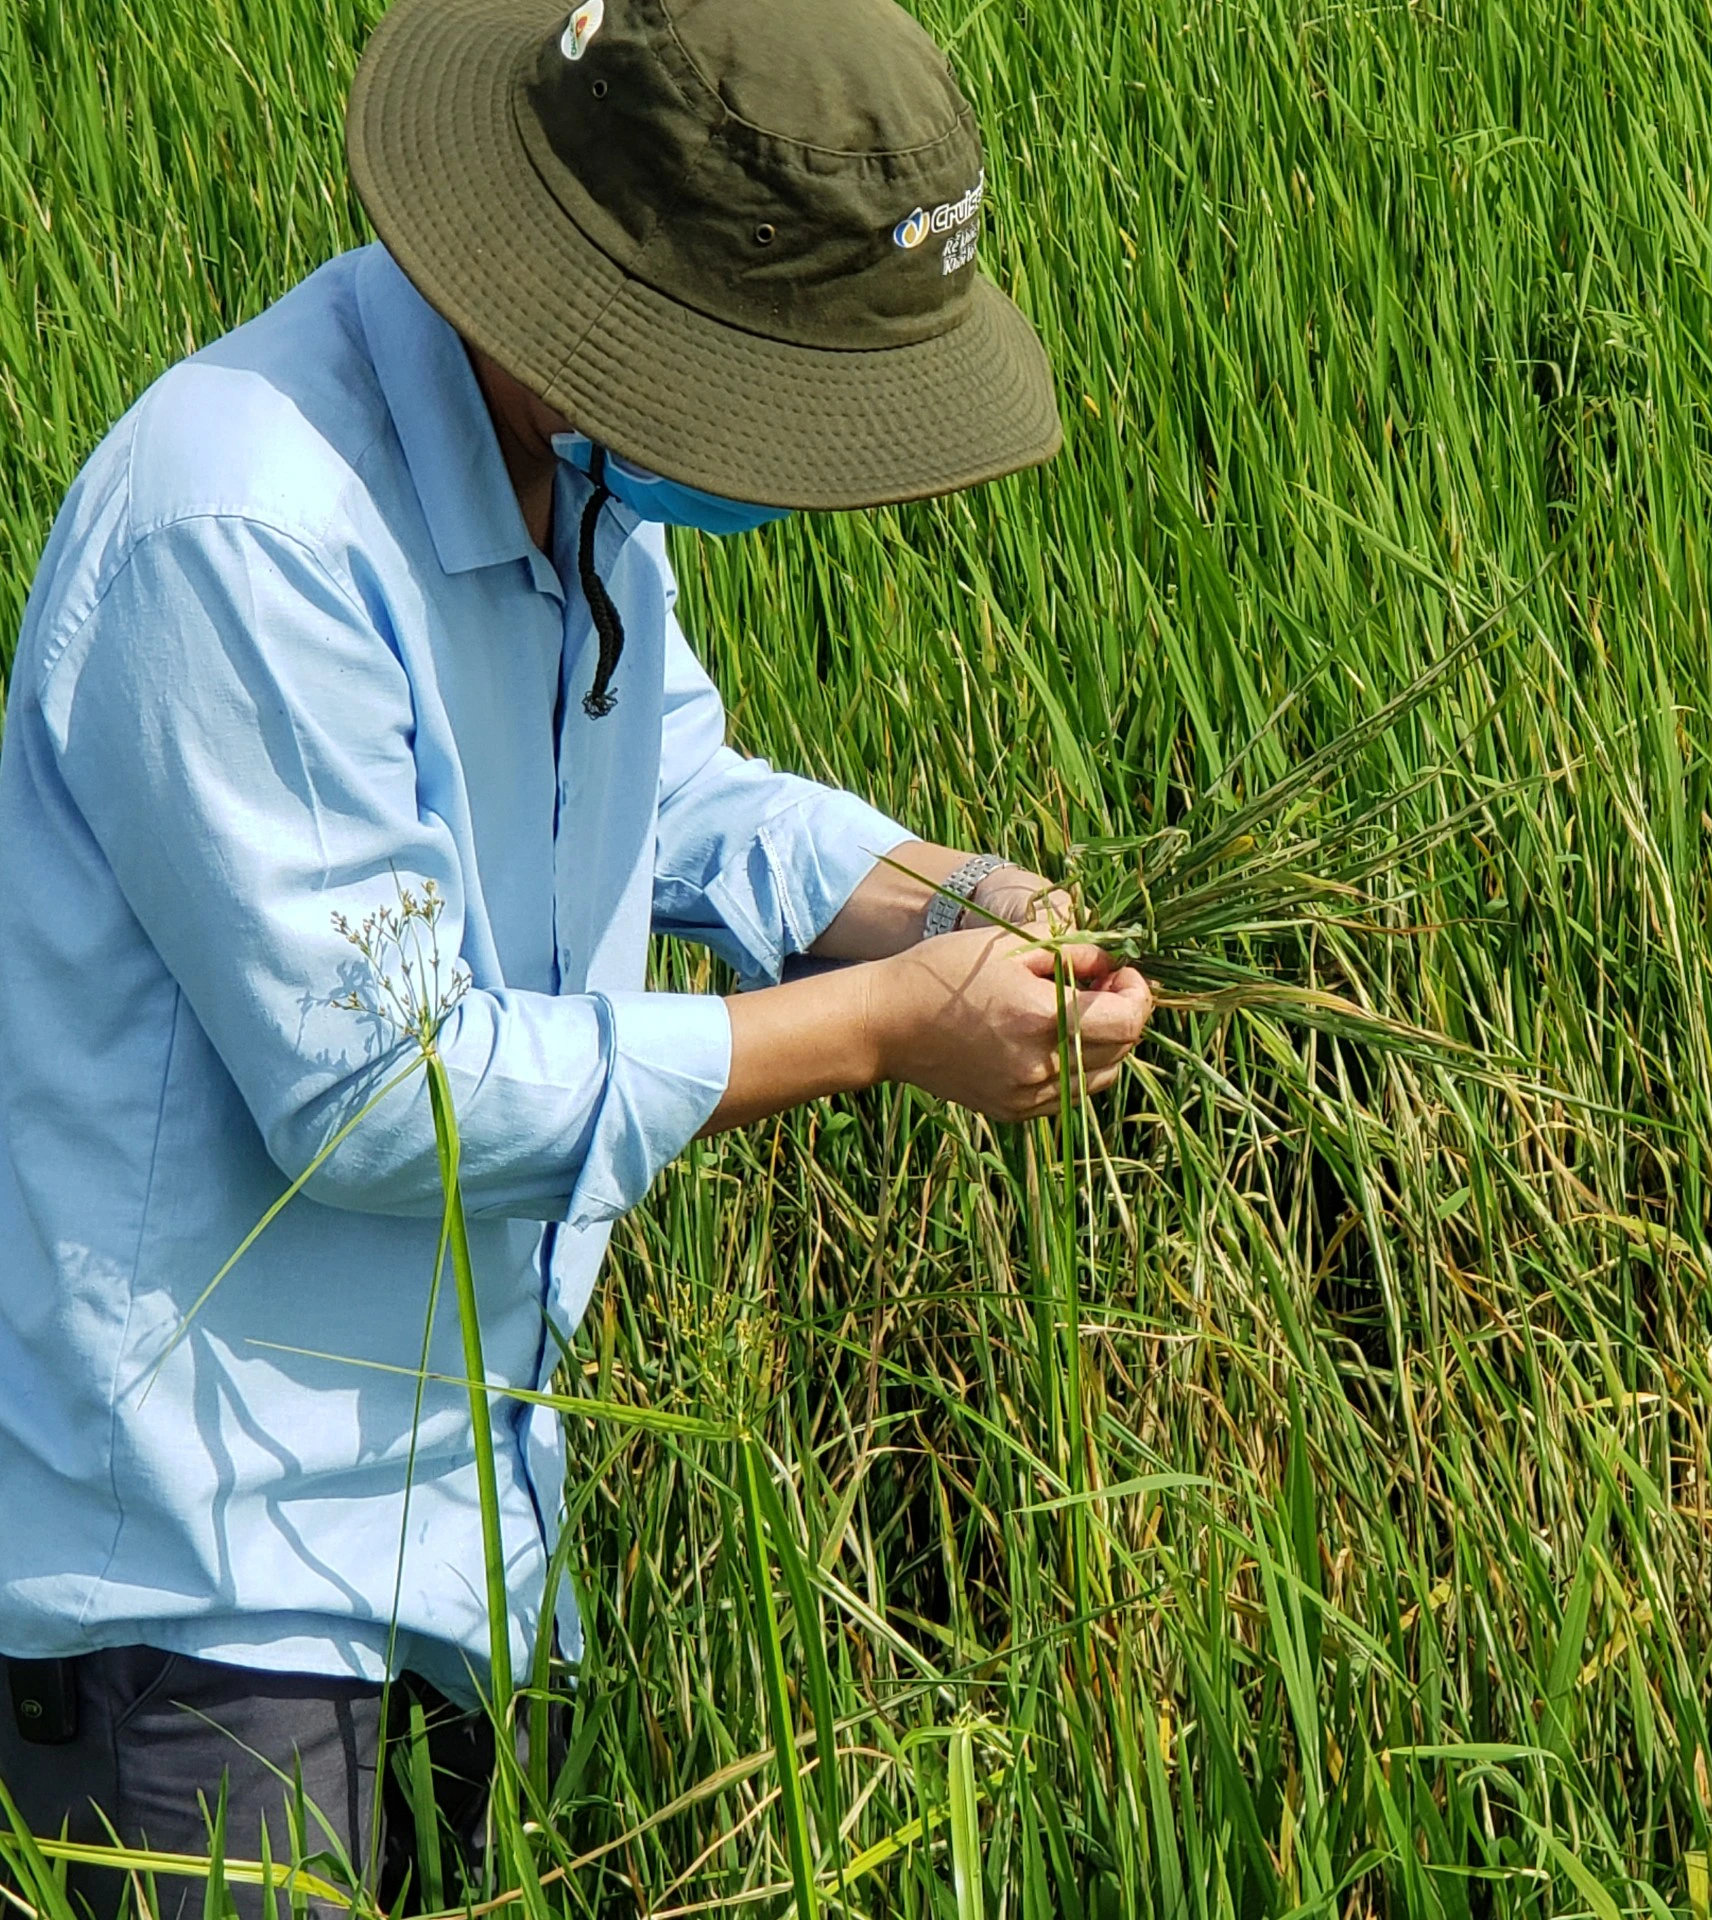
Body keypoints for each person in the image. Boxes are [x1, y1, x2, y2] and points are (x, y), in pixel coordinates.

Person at [0, 0, 1151, 1907]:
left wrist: (942, 900)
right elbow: (388, 1091)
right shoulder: (249, 526)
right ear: (599, 302)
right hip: (203, 1591)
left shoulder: (581, 475)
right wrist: (868, 1027)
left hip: (464, 1537)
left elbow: (672, 788)